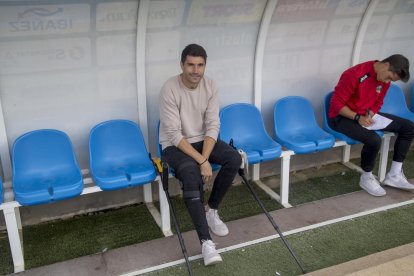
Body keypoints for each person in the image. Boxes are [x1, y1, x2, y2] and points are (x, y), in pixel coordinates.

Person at [159, 44, 241, 265]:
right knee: (190, 173)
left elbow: (213, 125)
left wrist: (204, 157)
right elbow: (174, 135)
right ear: (182, 65)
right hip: (174, 146)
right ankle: (206, 243)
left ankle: (212, 210)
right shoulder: (169, 88)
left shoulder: (211, 85)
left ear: (205, 66)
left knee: (234, 158)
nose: (195, 70)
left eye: (200, 65)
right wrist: (201, 161)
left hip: (202, 141)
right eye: (191, 65)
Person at [328, 54, 414, 197]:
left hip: (364, 116)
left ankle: (394, 175)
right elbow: (336, 105)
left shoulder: (384, 79)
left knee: (409, 128)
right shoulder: (354, 74)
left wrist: (371, 113)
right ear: (386, 65)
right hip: (341, 118)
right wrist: (357, 117)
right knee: (374, 140)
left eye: (391, 81)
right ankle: (366, 177)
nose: (388, 82)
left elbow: (378, 102)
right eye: (389, 78)